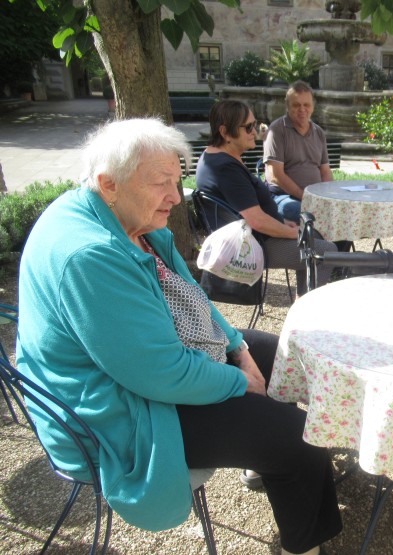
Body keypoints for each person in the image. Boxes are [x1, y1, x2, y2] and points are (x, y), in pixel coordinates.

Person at [15, 118, 342, 555]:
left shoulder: (126, 217)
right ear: (109, 183)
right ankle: (301, 540)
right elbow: (160, 374)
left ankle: (266, 464)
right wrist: (239, 381)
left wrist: (237, 348)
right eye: (160, 183)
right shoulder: (89, 255)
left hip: (142, 367)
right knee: (299, 439)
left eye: (177, 179)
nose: (176, 196)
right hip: (118, 412)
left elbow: (191, 296)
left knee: (282, 356)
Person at [196, 99, 337, 298]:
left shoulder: (215, 158)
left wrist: (283, 224)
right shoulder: (225, 168)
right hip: (255, 245)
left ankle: (302, 304)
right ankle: (306, 317)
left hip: (255, 237)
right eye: (248, 127)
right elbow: (256, 221)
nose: (255, 131)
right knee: (326, 252)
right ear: (225, 132)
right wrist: (291, 233)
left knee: (315, 237)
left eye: (255, 124)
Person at [264, 80, 333, 224]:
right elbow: (276, 175)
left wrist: (329, 196)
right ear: (287, 107)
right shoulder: (277, 130)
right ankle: (319, 246)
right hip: (283, 196)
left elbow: (325, 171)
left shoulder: (318, 132)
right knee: (308, 215)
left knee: (340, 214)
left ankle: (333, 247)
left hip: (314, 197)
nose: (302, 109)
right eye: (296, 105)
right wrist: (305, 197)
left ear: (313, 107)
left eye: (306, 105)